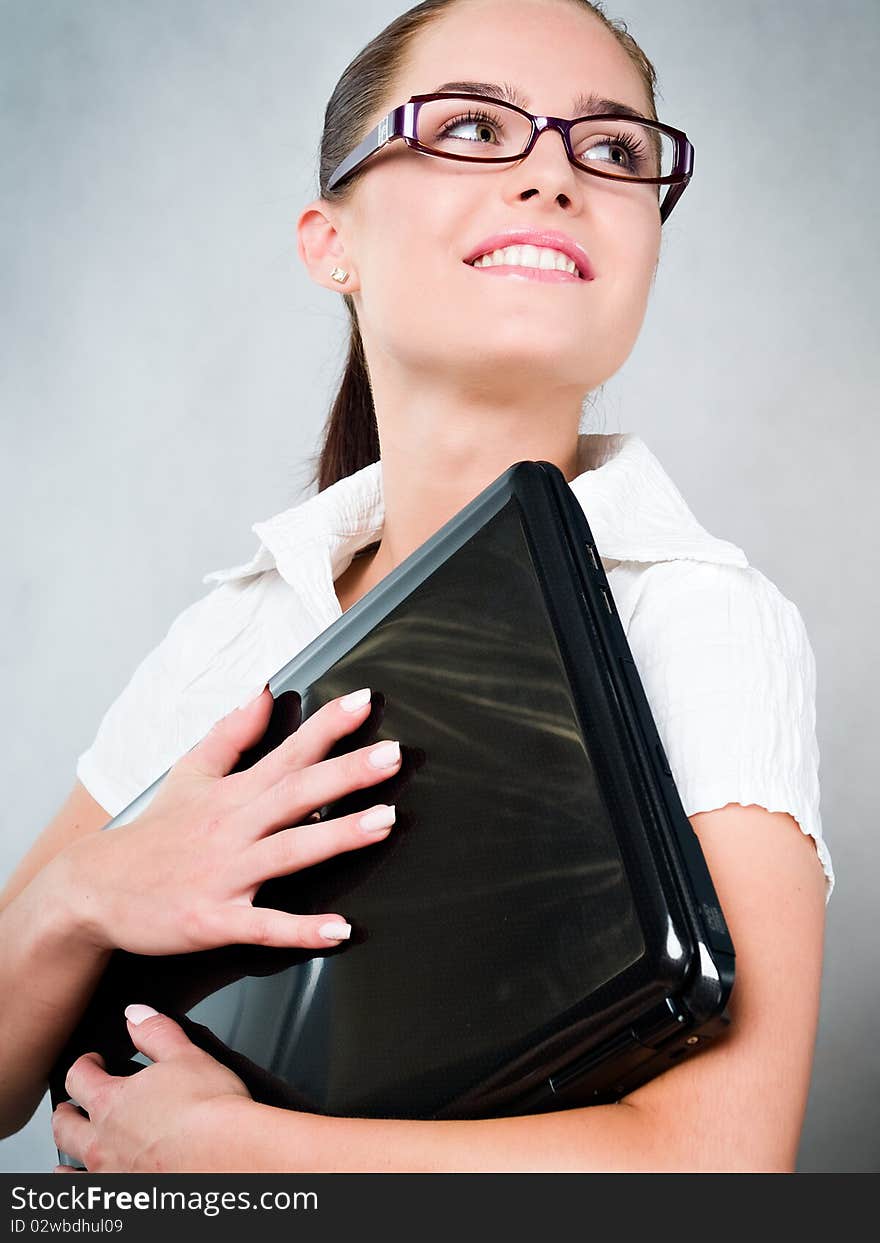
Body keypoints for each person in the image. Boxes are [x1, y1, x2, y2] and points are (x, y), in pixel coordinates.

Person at [0, 0, 831, 1173]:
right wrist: (80, 893)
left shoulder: (694, 614)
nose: (554, 175)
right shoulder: (234, 627)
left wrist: (244, 1155)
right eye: (475, 129)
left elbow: (720, 1164)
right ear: (327, 240)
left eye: (612, 149)